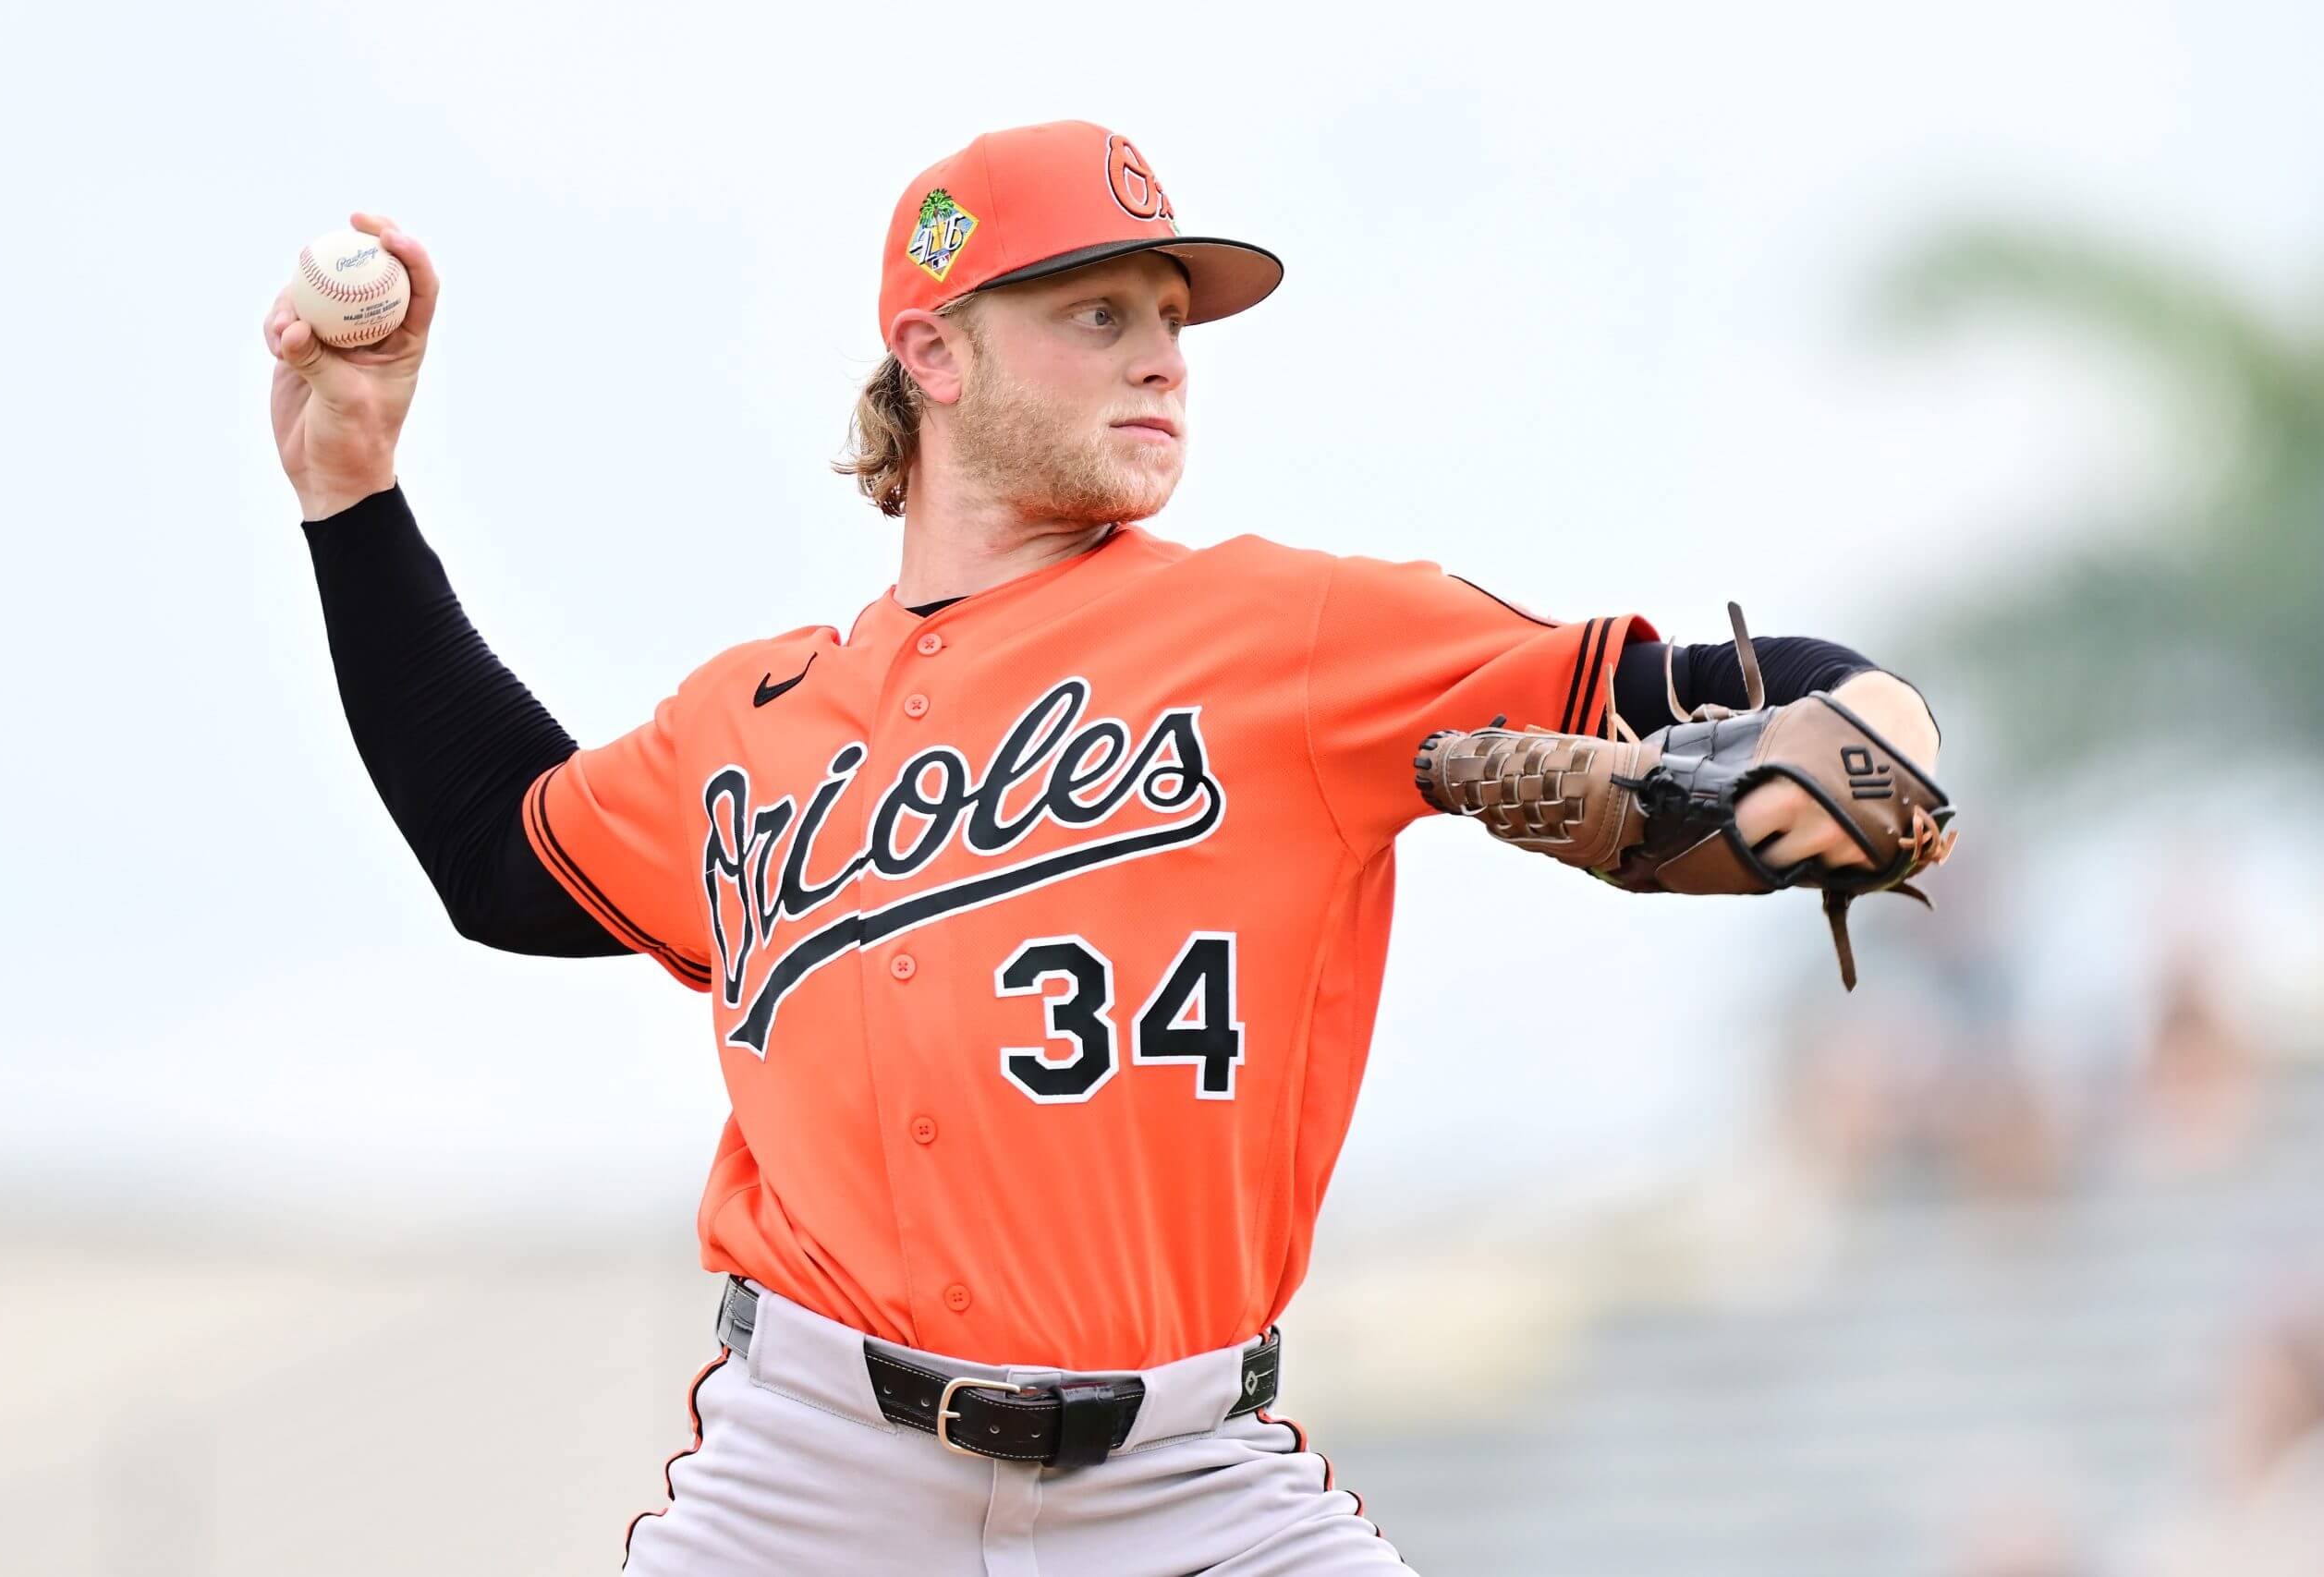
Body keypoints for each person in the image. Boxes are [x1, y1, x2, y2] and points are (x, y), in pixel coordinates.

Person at [264, 120, 1944, 1575]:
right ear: (933, 350)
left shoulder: (1288, 633)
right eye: (1099, 313)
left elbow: (1748, 693)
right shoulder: (751, 724)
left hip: (1188, 1484)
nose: (1165, 356)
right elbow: (500, 852)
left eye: (1171, 319)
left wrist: (1880, 748)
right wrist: (351, 486)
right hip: (811, 1481)